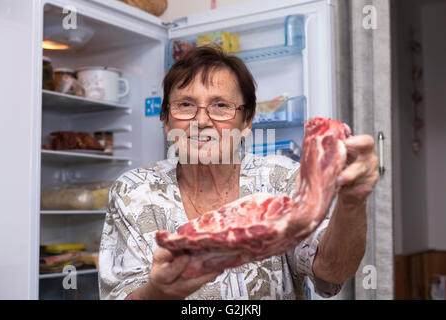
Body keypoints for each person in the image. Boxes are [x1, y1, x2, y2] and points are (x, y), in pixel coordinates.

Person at [98, 46, 379, 300]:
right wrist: (158, 293)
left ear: (247, 122)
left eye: (221, 105)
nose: (202, 120)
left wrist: (353, 201)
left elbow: (332, 270)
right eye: (185, 105)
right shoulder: (134, 192)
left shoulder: (280, 178)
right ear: (166, 122)